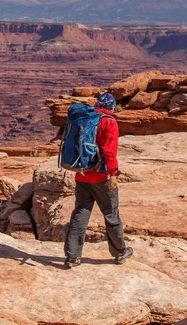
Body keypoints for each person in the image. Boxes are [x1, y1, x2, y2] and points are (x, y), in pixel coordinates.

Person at [64, 92, 133, 268]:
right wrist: (113, 174)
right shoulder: (109, 122)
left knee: (80, 213)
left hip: (82, 174)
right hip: (101, 177)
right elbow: (110, 151)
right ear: (112, 107)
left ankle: (72, 256)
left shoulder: (87, 118)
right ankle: (119, 252)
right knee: (111, 215)